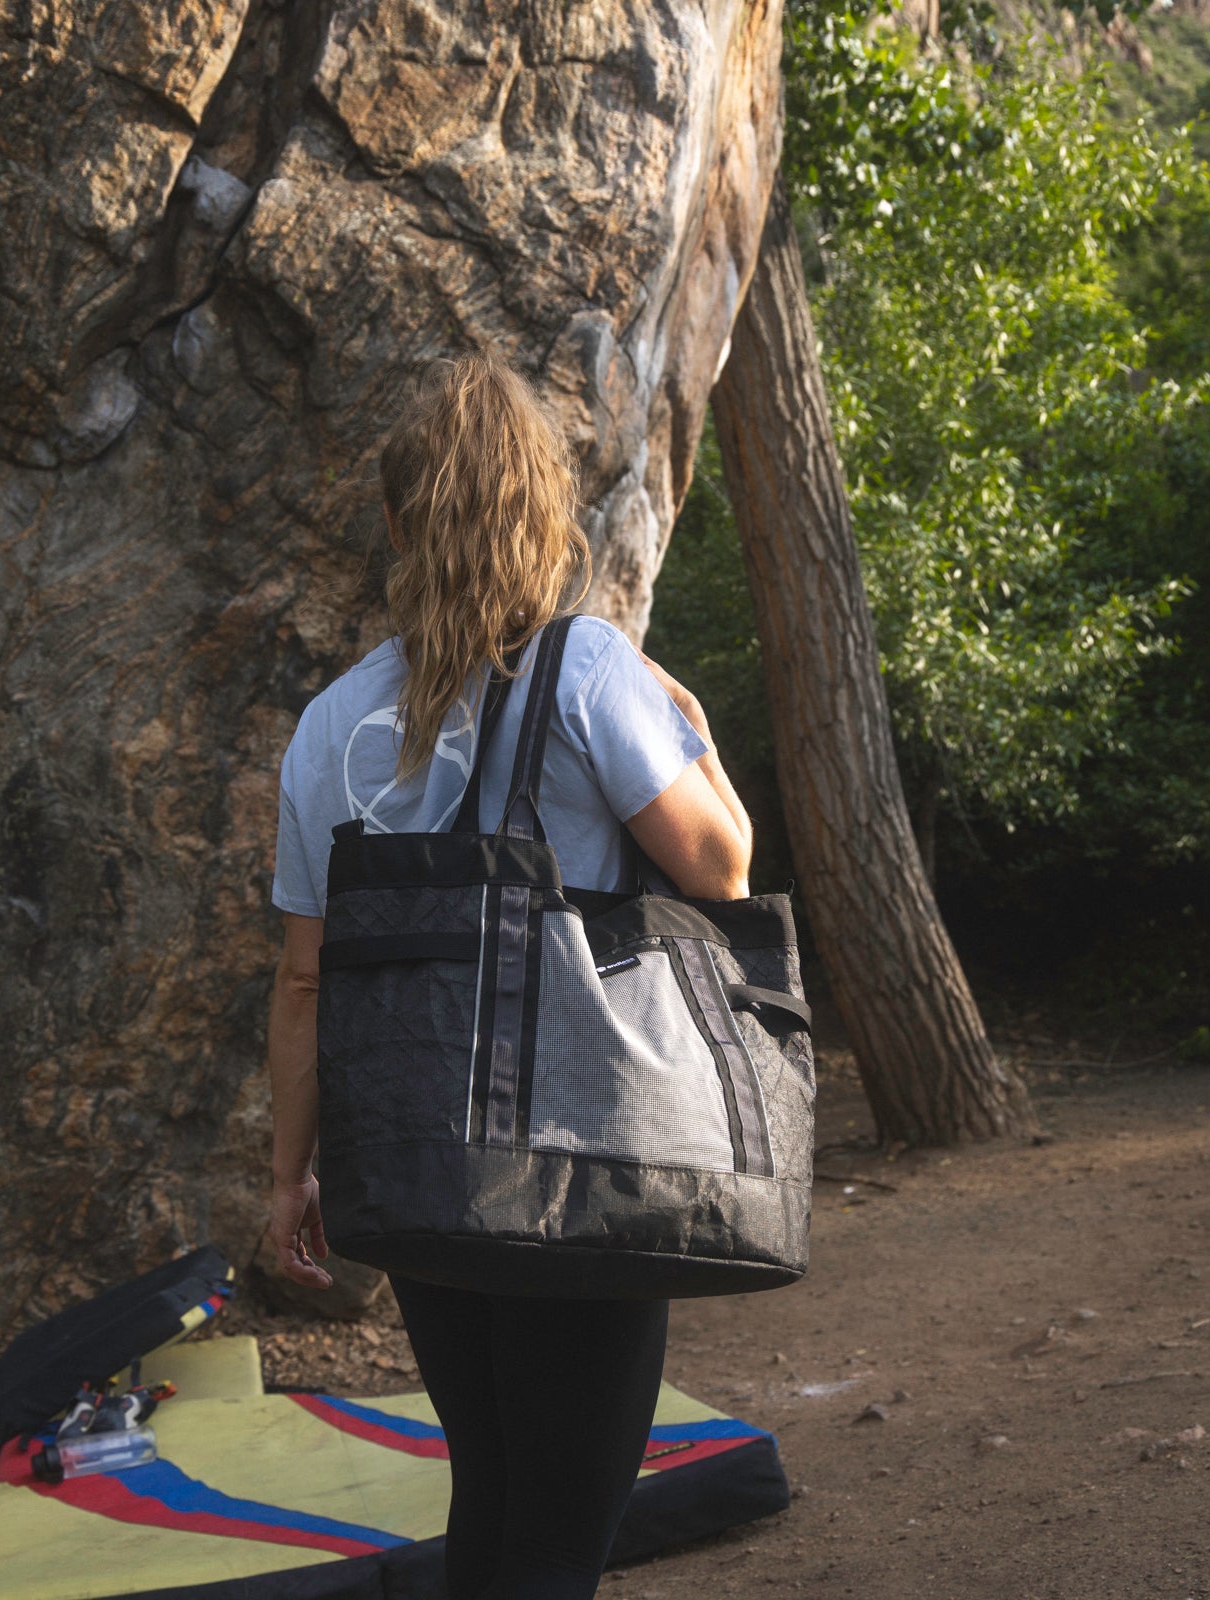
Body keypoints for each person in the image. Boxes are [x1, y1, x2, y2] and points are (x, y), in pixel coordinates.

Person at [263, 353, 754, 1600]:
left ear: (393, 523)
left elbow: (304, 981)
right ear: (546, 513)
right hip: (577, 1166)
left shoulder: (328, 728)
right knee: (556, 1536)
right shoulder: (588, 672)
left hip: (413, 1162)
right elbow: (720, 870)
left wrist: (288, 1177)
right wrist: (686, 723)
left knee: (487, 1487)